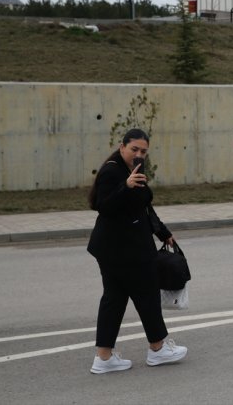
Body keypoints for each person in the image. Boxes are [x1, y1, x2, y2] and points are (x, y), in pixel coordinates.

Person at [87, 128, 187, 374]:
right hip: (123, 250)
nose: (138, 154)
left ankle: (104, 357)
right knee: (147, 294)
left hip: (115, 248)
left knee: (114, 300)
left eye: (143, 151)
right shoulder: (113, 171)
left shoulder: (131, 170)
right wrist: (126, 186)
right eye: (134, 149)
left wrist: (163, 233)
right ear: (122, 147)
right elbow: (102, 206)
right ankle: (158, 348)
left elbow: (143, 207)